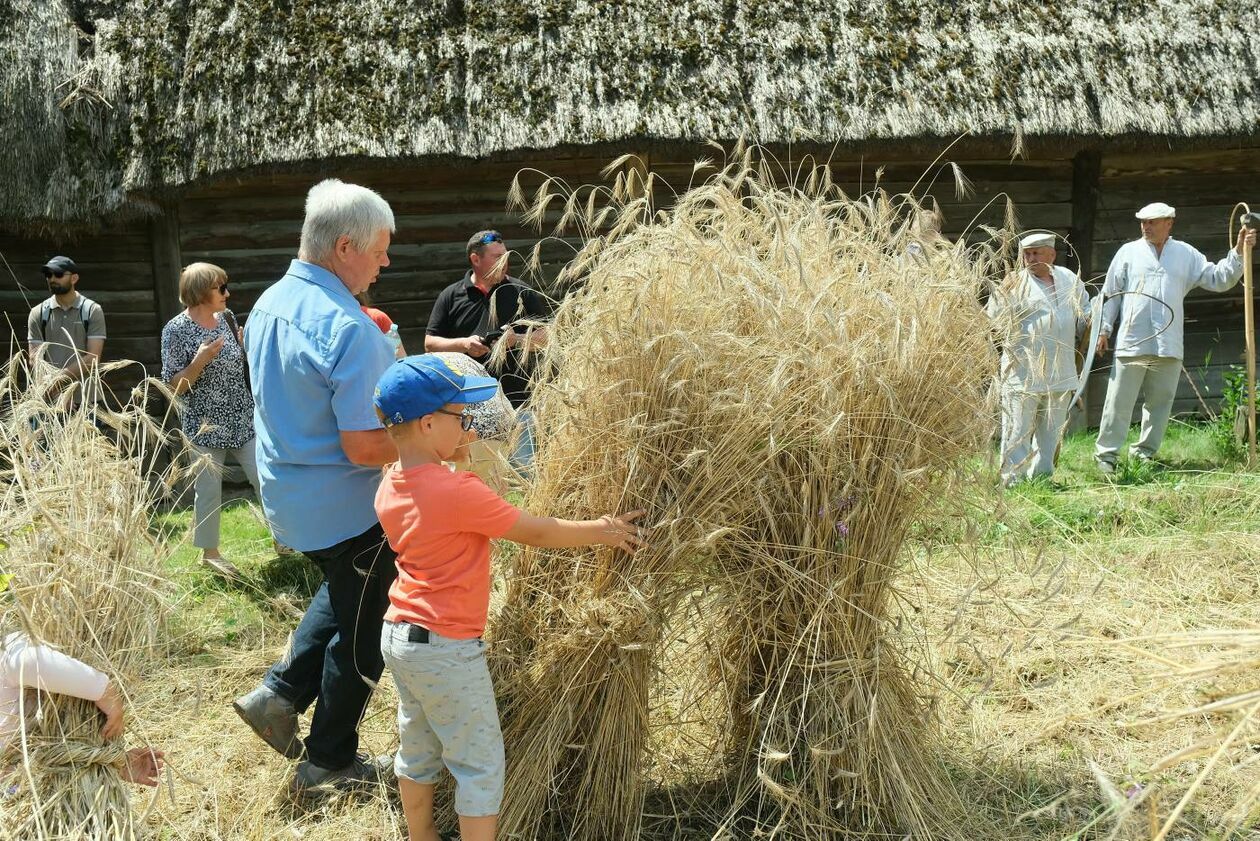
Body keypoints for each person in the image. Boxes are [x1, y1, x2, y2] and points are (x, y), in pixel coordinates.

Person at [371, 354, 645, 841]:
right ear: (429, 422)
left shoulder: (390, 481)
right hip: (448, 644)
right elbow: (535, 532)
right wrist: (603, 530)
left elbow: (425, 482)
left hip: (400, 637)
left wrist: (449, 451)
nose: (468, 426)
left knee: (417, 747)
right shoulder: (460, 491)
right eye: (460, 417)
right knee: (478, 764)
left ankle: (420, 836)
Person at [232, 179, 398, 793]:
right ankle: (329, 760)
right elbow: (364, 444)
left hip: (292, 498)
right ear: (346, 245)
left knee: (342, 588)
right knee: (365, 635)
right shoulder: (349, 328)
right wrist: (445, 443)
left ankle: (278, 695)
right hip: (349, 507)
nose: (386, 262)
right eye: (380, 249)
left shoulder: (271, 301)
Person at [1094, 203, 1256, 472]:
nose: (1146, 226)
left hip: (1168, 342)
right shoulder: (1128, 253)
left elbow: (1218, 279)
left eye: (1153, 222)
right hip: (1132, 340)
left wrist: (1239, 251)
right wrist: (1104, 329)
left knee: (1159, 403)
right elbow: (1110, 293)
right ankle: (1106, 457)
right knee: (1118, 402)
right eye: (1143, 222)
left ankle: (1144, 454)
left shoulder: (1185, 254)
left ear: (1169, 223)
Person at [161, 263, 277, 579]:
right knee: (209, 490)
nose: (228, 293)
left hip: (242, 416)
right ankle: (210, 555)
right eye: (220, 288)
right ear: (201, 293)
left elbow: (240, 365)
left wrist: (245, 348)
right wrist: (199, 361)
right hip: (204, 423)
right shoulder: (175, 329)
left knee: (264, 478)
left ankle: (283, 539)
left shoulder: (226, 318)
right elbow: (175, 385)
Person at [425, 230, 550, 470]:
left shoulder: (520, 291)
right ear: (475, 259)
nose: (504, 262)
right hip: (468, 404)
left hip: (517, 398)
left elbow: (547, 337)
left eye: (505, 256)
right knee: (472, 469)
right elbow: (430, 343)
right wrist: (464, 344)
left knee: (525, 469)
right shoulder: (451, 296)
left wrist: (516, 340)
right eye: (496, 257)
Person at [987, 233, 1089, 485]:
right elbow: (992, 320)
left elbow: (1084, 313)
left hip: (1061, 368)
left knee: (1051, 429)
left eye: (1036, 253)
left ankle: (1042, 477)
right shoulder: (1013, 283)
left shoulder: (1069, 279)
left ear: (1051, 255)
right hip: (1023, 370)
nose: (1030, 259)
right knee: (1017, 429)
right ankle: (1012, 480)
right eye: (1026, 254)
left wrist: (1092, 327)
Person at [1, 631, 163, 787]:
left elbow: (27, 662)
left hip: (56, 786)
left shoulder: (10, 652)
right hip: (39, 792)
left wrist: (116, 762)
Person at [26, 256, 107, 406]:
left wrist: (57, 382)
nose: (52, 279)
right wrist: (57, 394)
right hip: (49, 402)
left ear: (74, 278)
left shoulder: (92, 310)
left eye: (58, 274)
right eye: (48, 275)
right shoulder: (38, 313)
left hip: (87, 401)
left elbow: (92, 359)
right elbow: (34, 360)